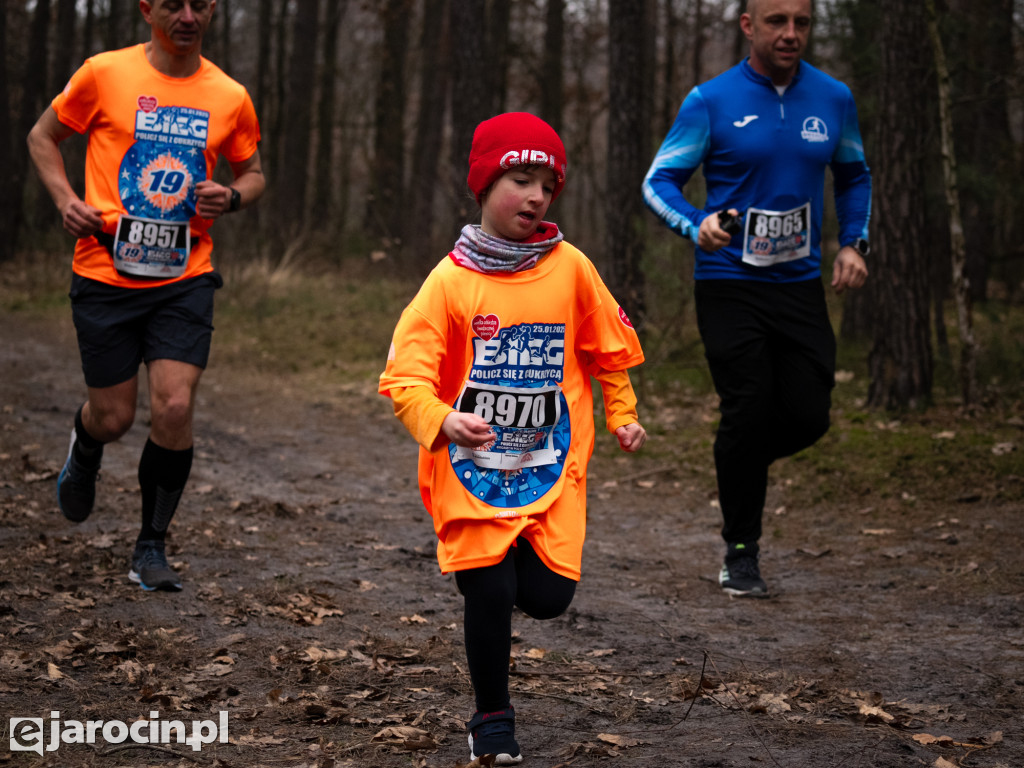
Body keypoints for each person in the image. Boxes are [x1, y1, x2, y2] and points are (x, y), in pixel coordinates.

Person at [379, 112, 647, 764]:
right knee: (489, 587)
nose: (534, 196)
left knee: (550, 599)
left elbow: (607, 349)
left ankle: (511, 571)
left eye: (546, 186)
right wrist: (442, 420)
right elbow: (403, 378)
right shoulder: (450, 281)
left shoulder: (571, 268)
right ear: (483, 184)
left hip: (549, 469)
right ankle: (492, 716)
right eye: (519, 179)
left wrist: (621, 414)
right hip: (470, 469)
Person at [26, 0, 265, 592]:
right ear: (145, 9)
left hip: (185, 277)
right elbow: (42, 136)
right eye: (172, 4)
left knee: (176, 408)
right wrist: (65, 201)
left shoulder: (229, 94)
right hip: (105, 272)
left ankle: (149, 546)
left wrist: (231, 197)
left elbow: (254, 172)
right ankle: (85, 444)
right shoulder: (104, 73)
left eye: (200, 5)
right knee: (114, 416)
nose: (187, 15)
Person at [642, 0, 871, 598]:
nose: (790, 33)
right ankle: (741, 551)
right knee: (746, 407)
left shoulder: (833, 98)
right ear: (749, 25)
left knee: (809, 414)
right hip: (727, 282)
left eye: (801, 22)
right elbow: (658, 180)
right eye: (777, 21)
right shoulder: (710, 101)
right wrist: (698, 224)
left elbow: (853, 175)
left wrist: (854, 244)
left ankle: (737, 462)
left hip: (798, 284)